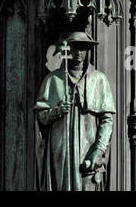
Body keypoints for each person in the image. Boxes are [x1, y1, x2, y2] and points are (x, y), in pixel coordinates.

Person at [35, 30, 114, 191]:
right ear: (68, 50)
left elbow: (107, 120)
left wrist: (99, 150)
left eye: (83, 48)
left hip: (88, 149)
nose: (79, 53)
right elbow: (41, 118)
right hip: (60, 152)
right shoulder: (53, 79)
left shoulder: (99, 79)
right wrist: (56, 111)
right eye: (76, 48)